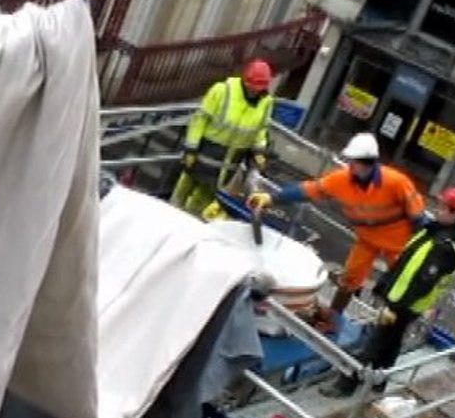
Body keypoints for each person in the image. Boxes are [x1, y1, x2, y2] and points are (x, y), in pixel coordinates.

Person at [246, 132, 427, 322]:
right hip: (367, 239)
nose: (350, 166)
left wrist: (418, 249)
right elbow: (308, 190)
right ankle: (333, 318)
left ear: (369, 162)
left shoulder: (396, 182)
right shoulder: (342, 180)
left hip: (398, 243)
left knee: (401, 287)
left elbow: (418, 216)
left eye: (354, 162)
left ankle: (392, 325)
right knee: (349, 279)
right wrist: (272, 198)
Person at [319, 187, 455, 398]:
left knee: (374, 344)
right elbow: (407, 263)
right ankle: (378, 382)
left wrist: (395, 306)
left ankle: (345, 384)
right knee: (390, 343)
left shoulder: (446, 246)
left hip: (403, 304)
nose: (437, 210)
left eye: (442, 208)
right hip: (401, 301)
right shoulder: (437, 231)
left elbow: (423, 281)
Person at [171, 59, 275, 219]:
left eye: (258, 88)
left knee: (202, 201)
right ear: (244, 80)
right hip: (204, 153)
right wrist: (191, 148)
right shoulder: (223, 90)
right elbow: (200, 119)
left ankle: (190, 224)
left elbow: (260, 130)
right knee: (182, 191)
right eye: (252, 86)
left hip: (228, 164)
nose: (254, 91)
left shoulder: (266, 102)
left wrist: (260, 151)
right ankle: (171, 219)